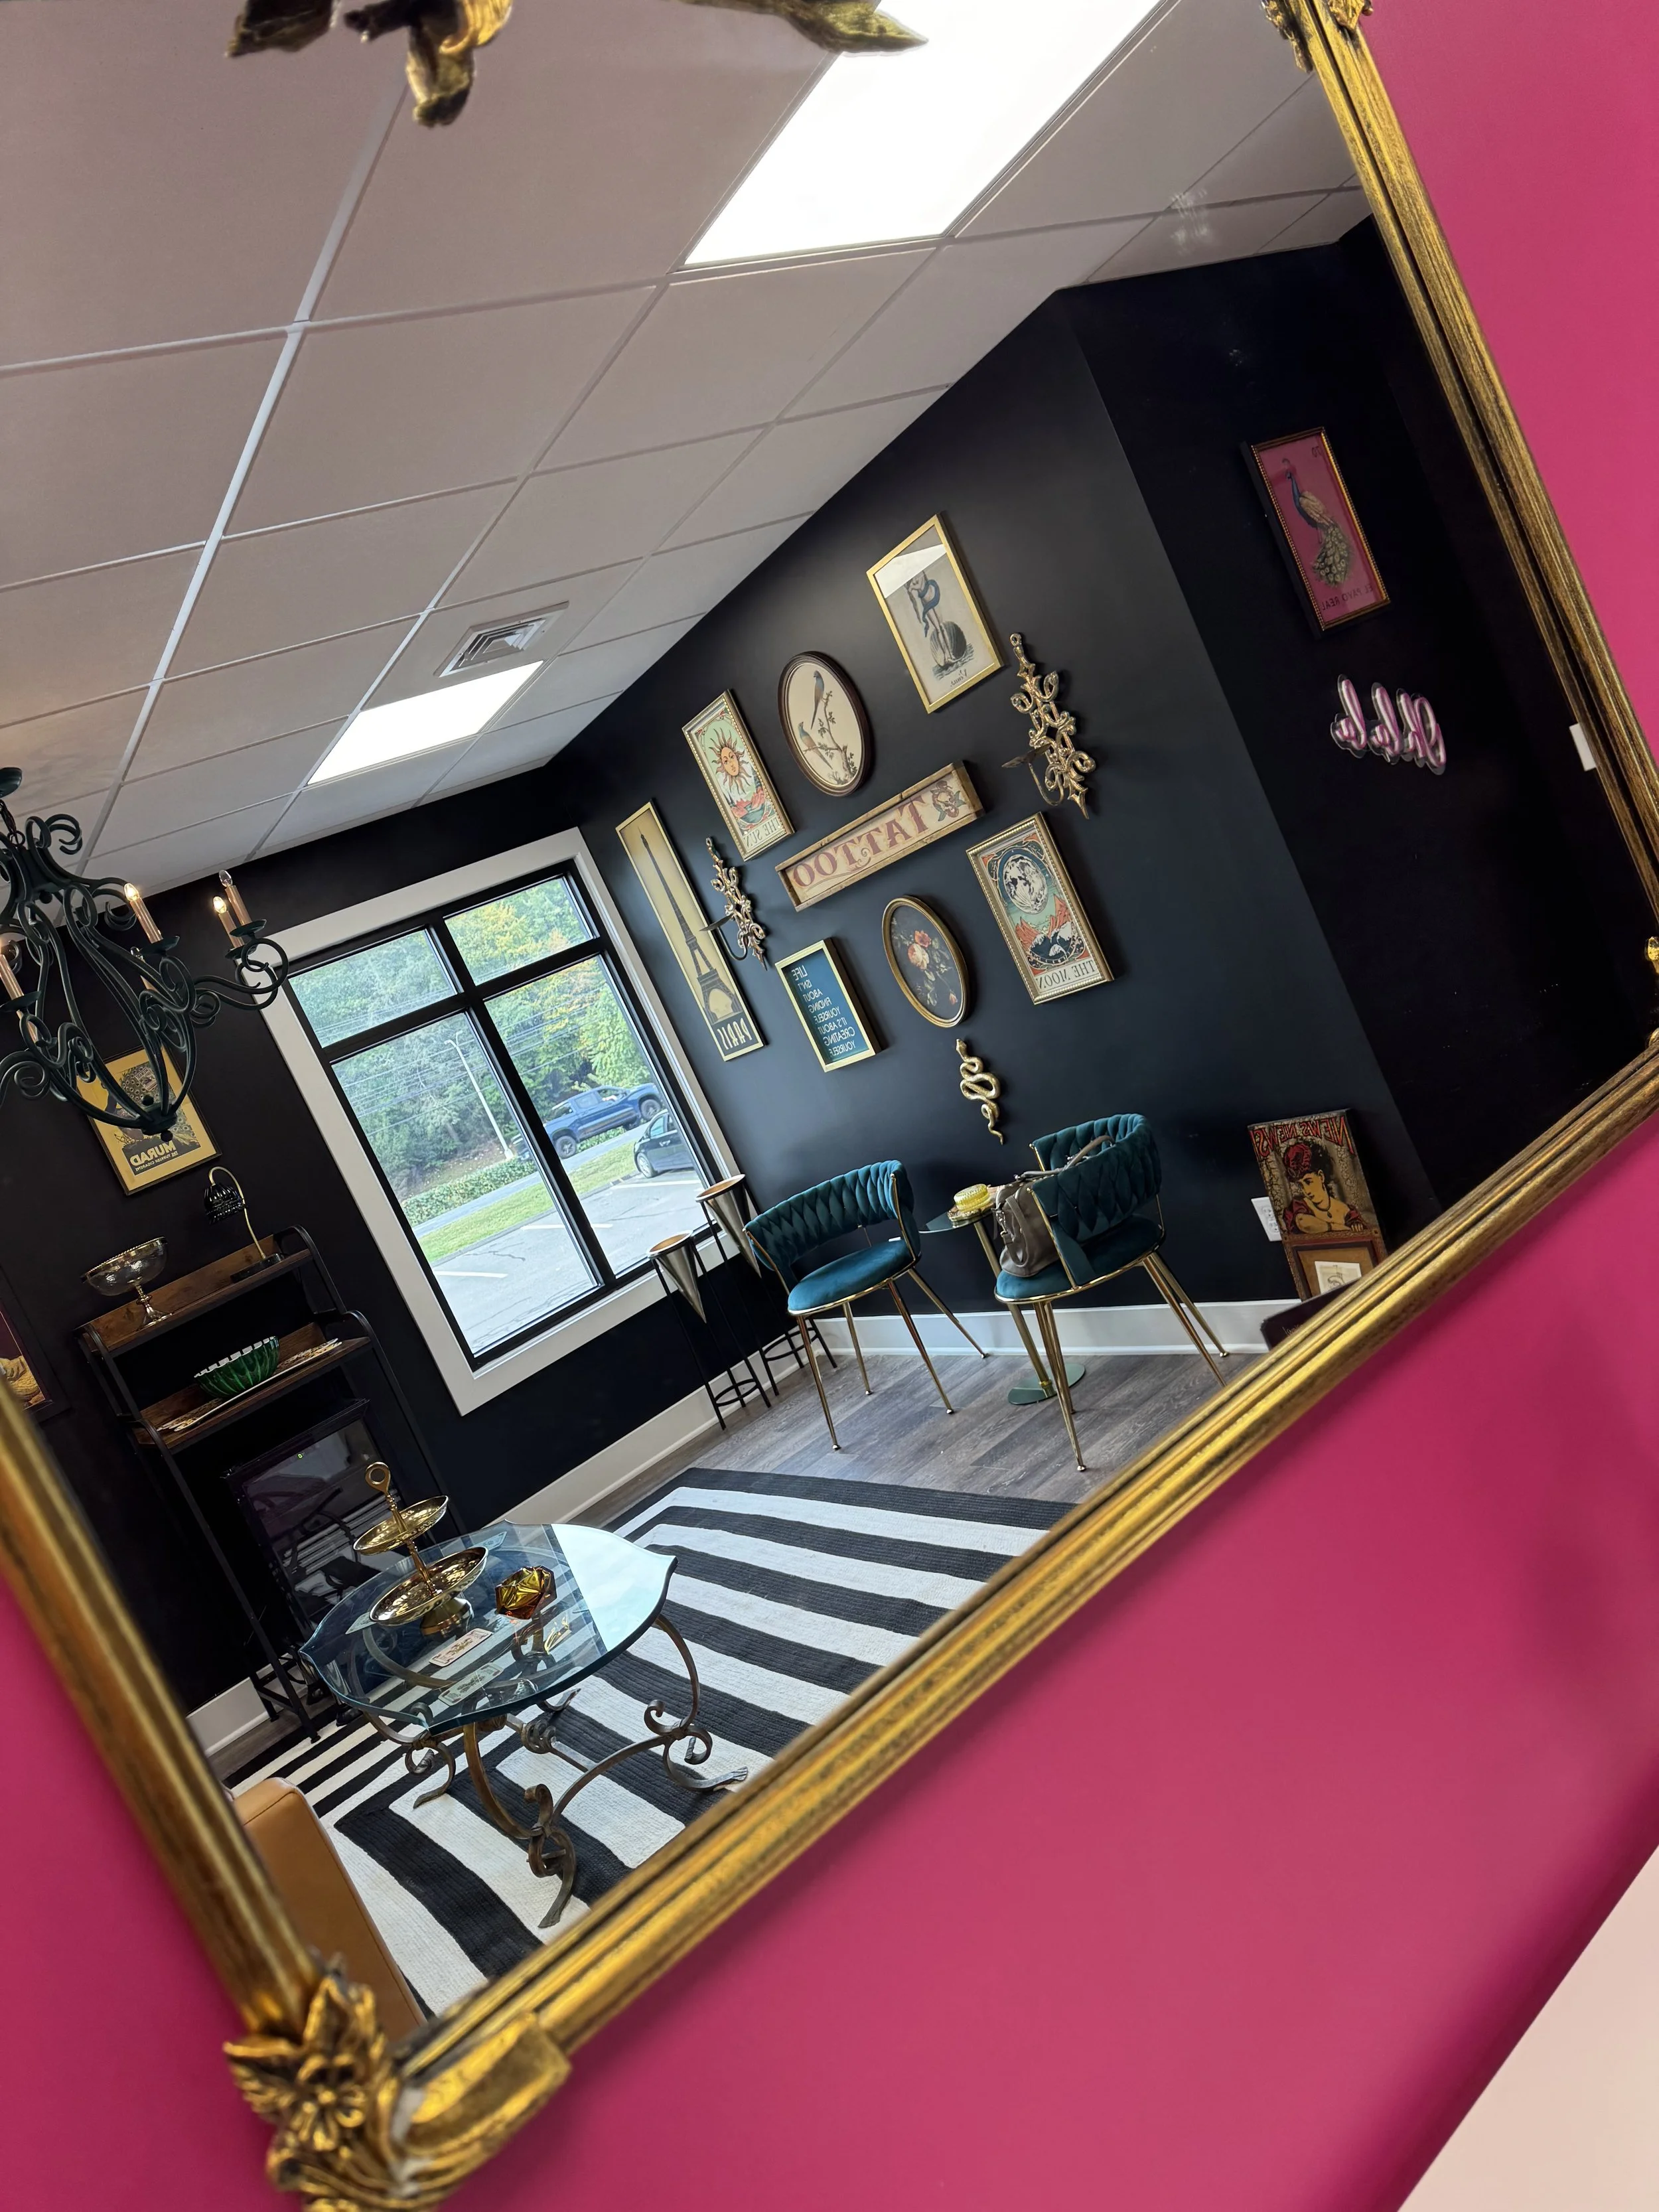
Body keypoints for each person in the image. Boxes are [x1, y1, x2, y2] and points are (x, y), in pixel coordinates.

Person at [1279, 1139, 1366, 1236]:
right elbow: (1304, 1223)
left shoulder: (1346, 1211)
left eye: (1309, 1182)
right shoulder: (1300, 1207)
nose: (1306, 1191)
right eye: (1301, 1185)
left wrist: (1357, 1226)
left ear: (1321, 1176)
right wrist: (1336, 1228)